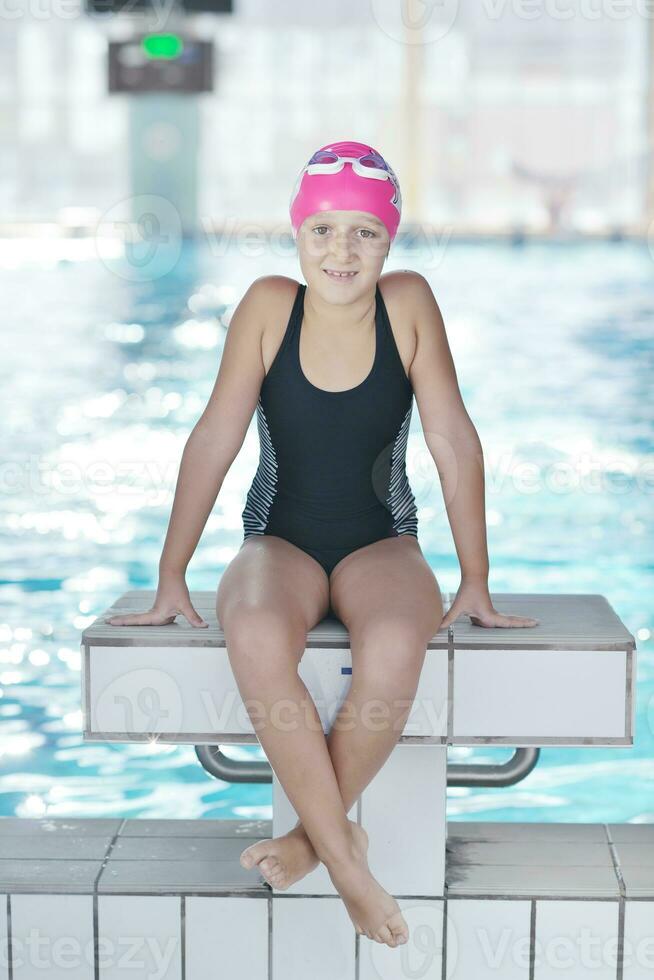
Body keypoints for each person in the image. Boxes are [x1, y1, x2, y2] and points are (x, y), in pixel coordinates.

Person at [107, 140, 539, 949]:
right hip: (280, 540)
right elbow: (214, 439)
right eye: (325, 230)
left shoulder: (408, 304)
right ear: (298, 232)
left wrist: (475, 578)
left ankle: (316, 843)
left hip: (383, 541)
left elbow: (452, 439)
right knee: (258, 630)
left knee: (399, 635)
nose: (343, 251)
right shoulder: (270, 305)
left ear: (391, 240)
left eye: (365, 233)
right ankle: (349, 861)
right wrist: (171, 573)